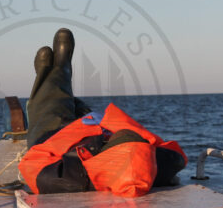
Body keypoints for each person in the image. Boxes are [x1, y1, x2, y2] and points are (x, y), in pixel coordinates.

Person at [18, 28, 187, 197]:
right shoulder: (161, 166)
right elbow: (175, 153)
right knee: (81, 110)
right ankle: (58, 82)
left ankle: (57, 72)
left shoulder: (70, 178)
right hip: (95, 127)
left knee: (50, 109)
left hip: (55, 137)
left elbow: (32, 165)